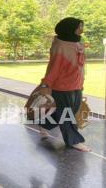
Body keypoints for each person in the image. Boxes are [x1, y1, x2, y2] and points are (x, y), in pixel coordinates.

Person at [37, 17, 90, 152]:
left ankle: (44, 123)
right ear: (69, 29)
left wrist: (81, 82)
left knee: (69, 111)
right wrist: (45, 84)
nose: (81, 30)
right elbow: (54, 68)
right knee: (67, 114)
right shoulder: (60, 46)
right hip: (62, 86)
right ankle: (73, 141)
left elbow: (80, 67)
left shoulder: (76, 43)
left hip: (76, 85)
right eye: (79, 27)